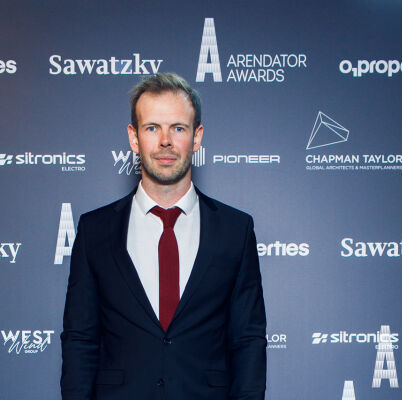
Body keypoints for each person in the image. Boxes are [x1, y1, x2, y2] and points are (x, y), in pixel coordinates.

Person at [60, 72, 266, 400]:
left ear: (197, 138)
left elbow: (248, 341)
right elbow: (79, 340)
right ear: (134, 137)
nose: (165, 141)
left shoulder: (235, 230)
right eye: (152, 128)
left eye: (178, 128)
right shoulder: (95, 230)